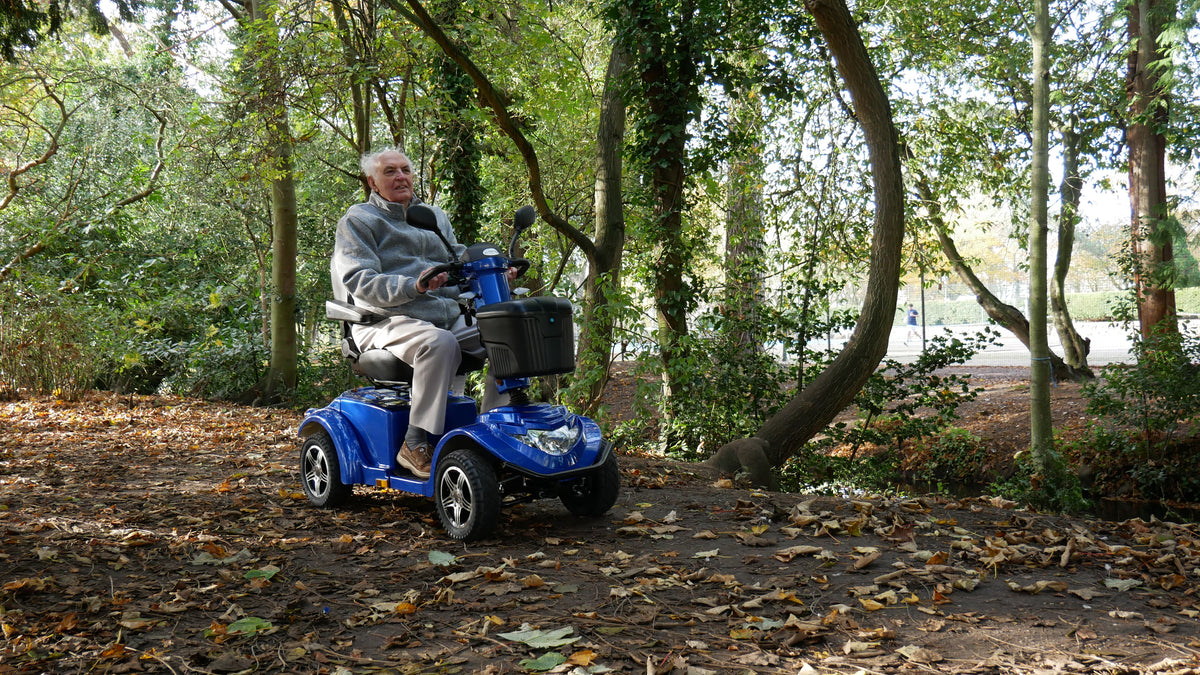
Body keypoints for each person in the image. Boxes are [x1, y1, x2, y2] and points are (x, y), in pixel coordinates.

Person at [330, 147, 503, 480]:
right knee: (438, 343)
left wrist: (492, 274)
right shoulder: (358, 220)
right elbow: (360, 281)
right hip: (382, 319)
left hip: (442, 316)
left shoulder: (433, 217)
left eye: (406, 170)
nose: (401, 177)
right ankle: (414, 441)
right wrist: (415, 285)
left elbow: (458, 268)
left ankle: (494, 430)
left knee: (505, 334)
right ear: (372, 182)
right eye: (390, 172)